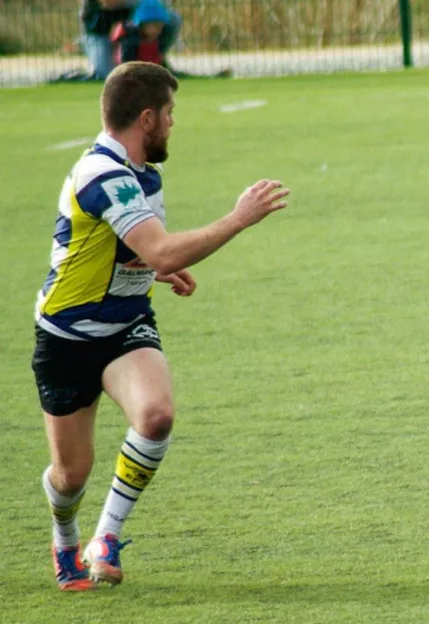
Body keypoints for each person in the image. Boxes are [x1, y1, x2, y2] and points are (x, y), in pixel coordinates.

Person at [36, 61, 290, 590]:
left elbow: (134, 249)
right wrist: (237, 218)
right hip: (67, 337)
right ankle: (65, 538)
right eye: (170, 114)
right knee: (70, 476)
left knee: (155, 416)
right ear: (147, 118)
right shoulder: (104, 175)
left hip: (125, 325)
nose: (174, 124)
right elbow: (156, 244)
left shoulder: (143, 173)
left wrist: (156, 272)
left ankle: (105, 537)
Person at [79, 0, 180, 80]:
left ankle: (155, 59)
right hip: (101, 32)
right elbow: (109, 2)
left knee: (171, 18)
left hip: (134, 25)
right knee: (109, 76)